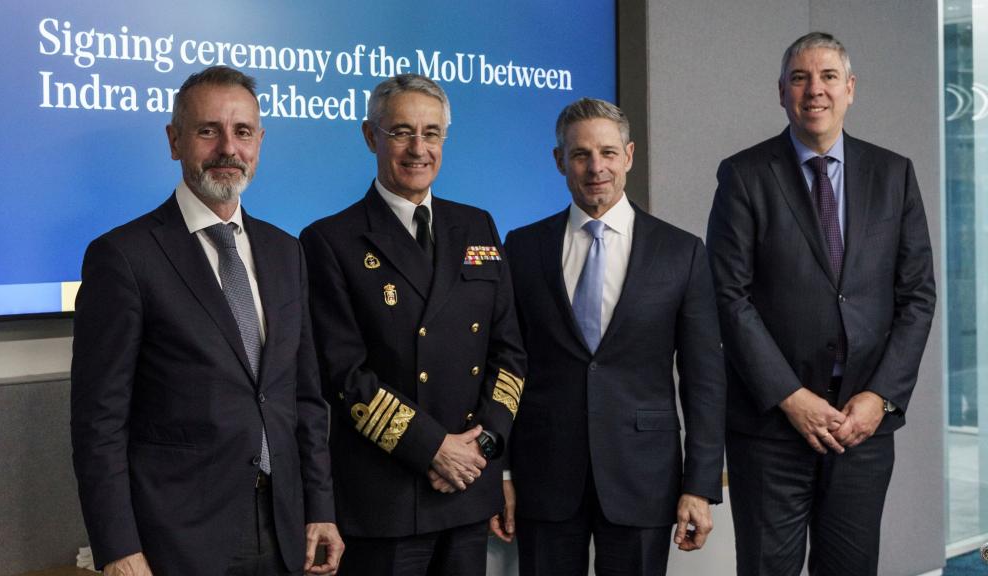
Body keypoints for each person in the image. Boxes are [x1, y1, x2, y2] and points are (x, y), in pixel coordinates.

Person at [71, 65, 343, 576]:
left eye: (242, 132)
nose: (227, 148)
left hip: (286, 529)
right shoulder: (124, 257)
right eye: (207, 130)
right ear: (174, 141)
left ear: (260, 142)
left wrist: (320, 508)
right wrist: (117, 547)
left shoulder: (287, 252)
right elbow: (99, 423)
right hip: (177, 539)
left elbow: (304, 398)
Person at [706, 32, 936, 575]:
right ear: (781, 91)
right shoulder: (743, 175)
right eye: (800, 78)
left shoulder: (894, 173)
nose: (816, 90)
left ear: (850, 89)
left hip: (863, 427)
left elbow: (917, 296)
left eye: (829, 77)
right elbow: (728, 296)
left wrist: (880, 397)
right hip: (771, 430)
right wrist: (790, 396)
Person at [299, 73, 526, 576]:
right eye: (401, 131)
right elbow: (344, 376)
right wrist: (434, 450)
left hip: (468, 488)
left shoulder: (478, 225)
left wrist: (481, 447)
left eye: (431, 133)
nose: (418, 148)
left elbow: (509, 352)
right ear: (370, 136)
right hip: (389, 497)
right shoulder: (329, 241)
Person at [498, 97, 727, 576]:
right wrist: (501, 471)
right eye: (580, 154)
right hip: (544, 477)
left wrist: (699, 485)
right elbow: (506, 364)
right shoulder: (521, 248)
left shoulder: (681, 252)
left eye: (606, 152)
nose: (595, 167)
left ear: (628, 155)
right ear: (560, 160)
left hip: (643, 477)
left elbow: (705, 379)